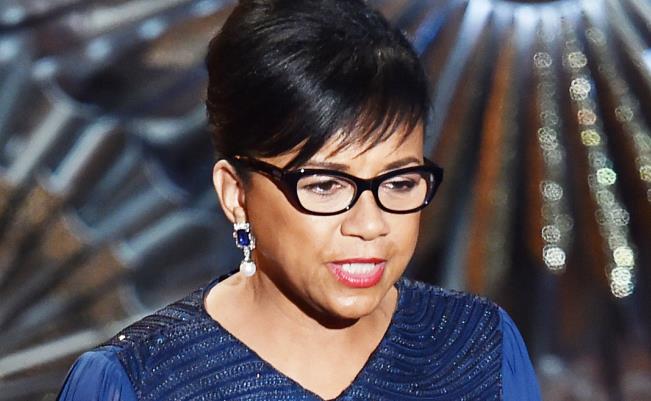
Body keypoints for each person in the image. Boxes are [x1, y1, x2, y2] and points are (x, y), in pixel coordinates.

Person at [57, 0, 541, 400]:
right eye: (325, 185)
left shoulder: (479, 348)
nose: (371, 225)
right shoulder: (136, 382)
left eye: (398, 182)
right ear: (235, 194)